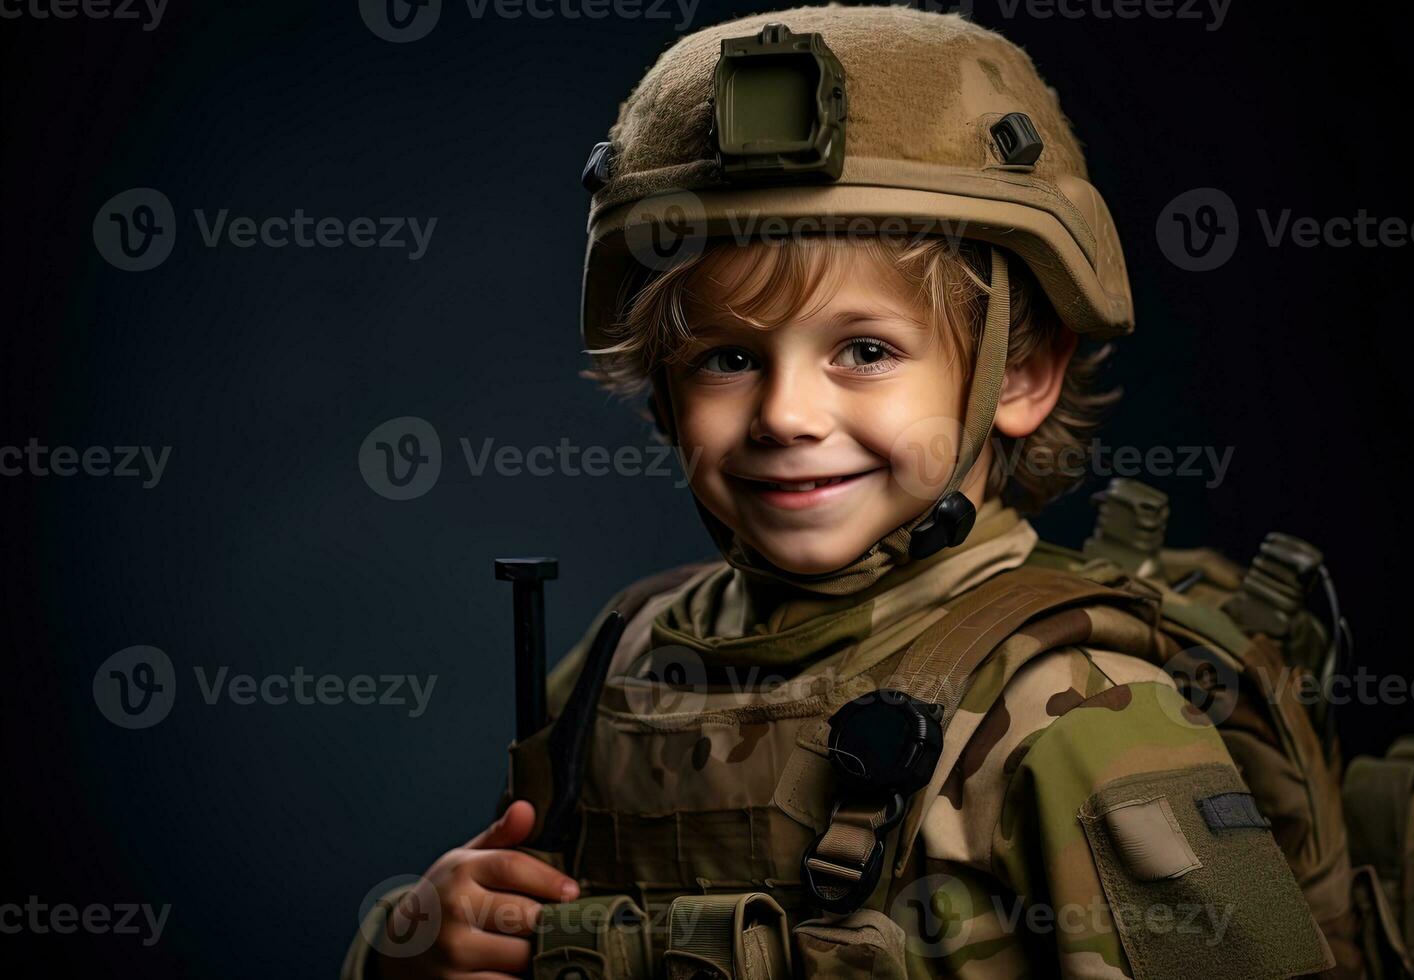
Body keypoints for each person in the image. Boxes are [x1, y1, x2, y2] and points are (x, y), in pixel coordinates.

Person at [342, 6, 1342, 978]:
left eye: (865, 350)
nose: (785, 413)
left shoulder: (1081, 709)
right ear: (662, 387)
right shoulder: (625, 661)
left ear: (1023, 373)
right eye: (727, 356)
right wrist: (418, 948)